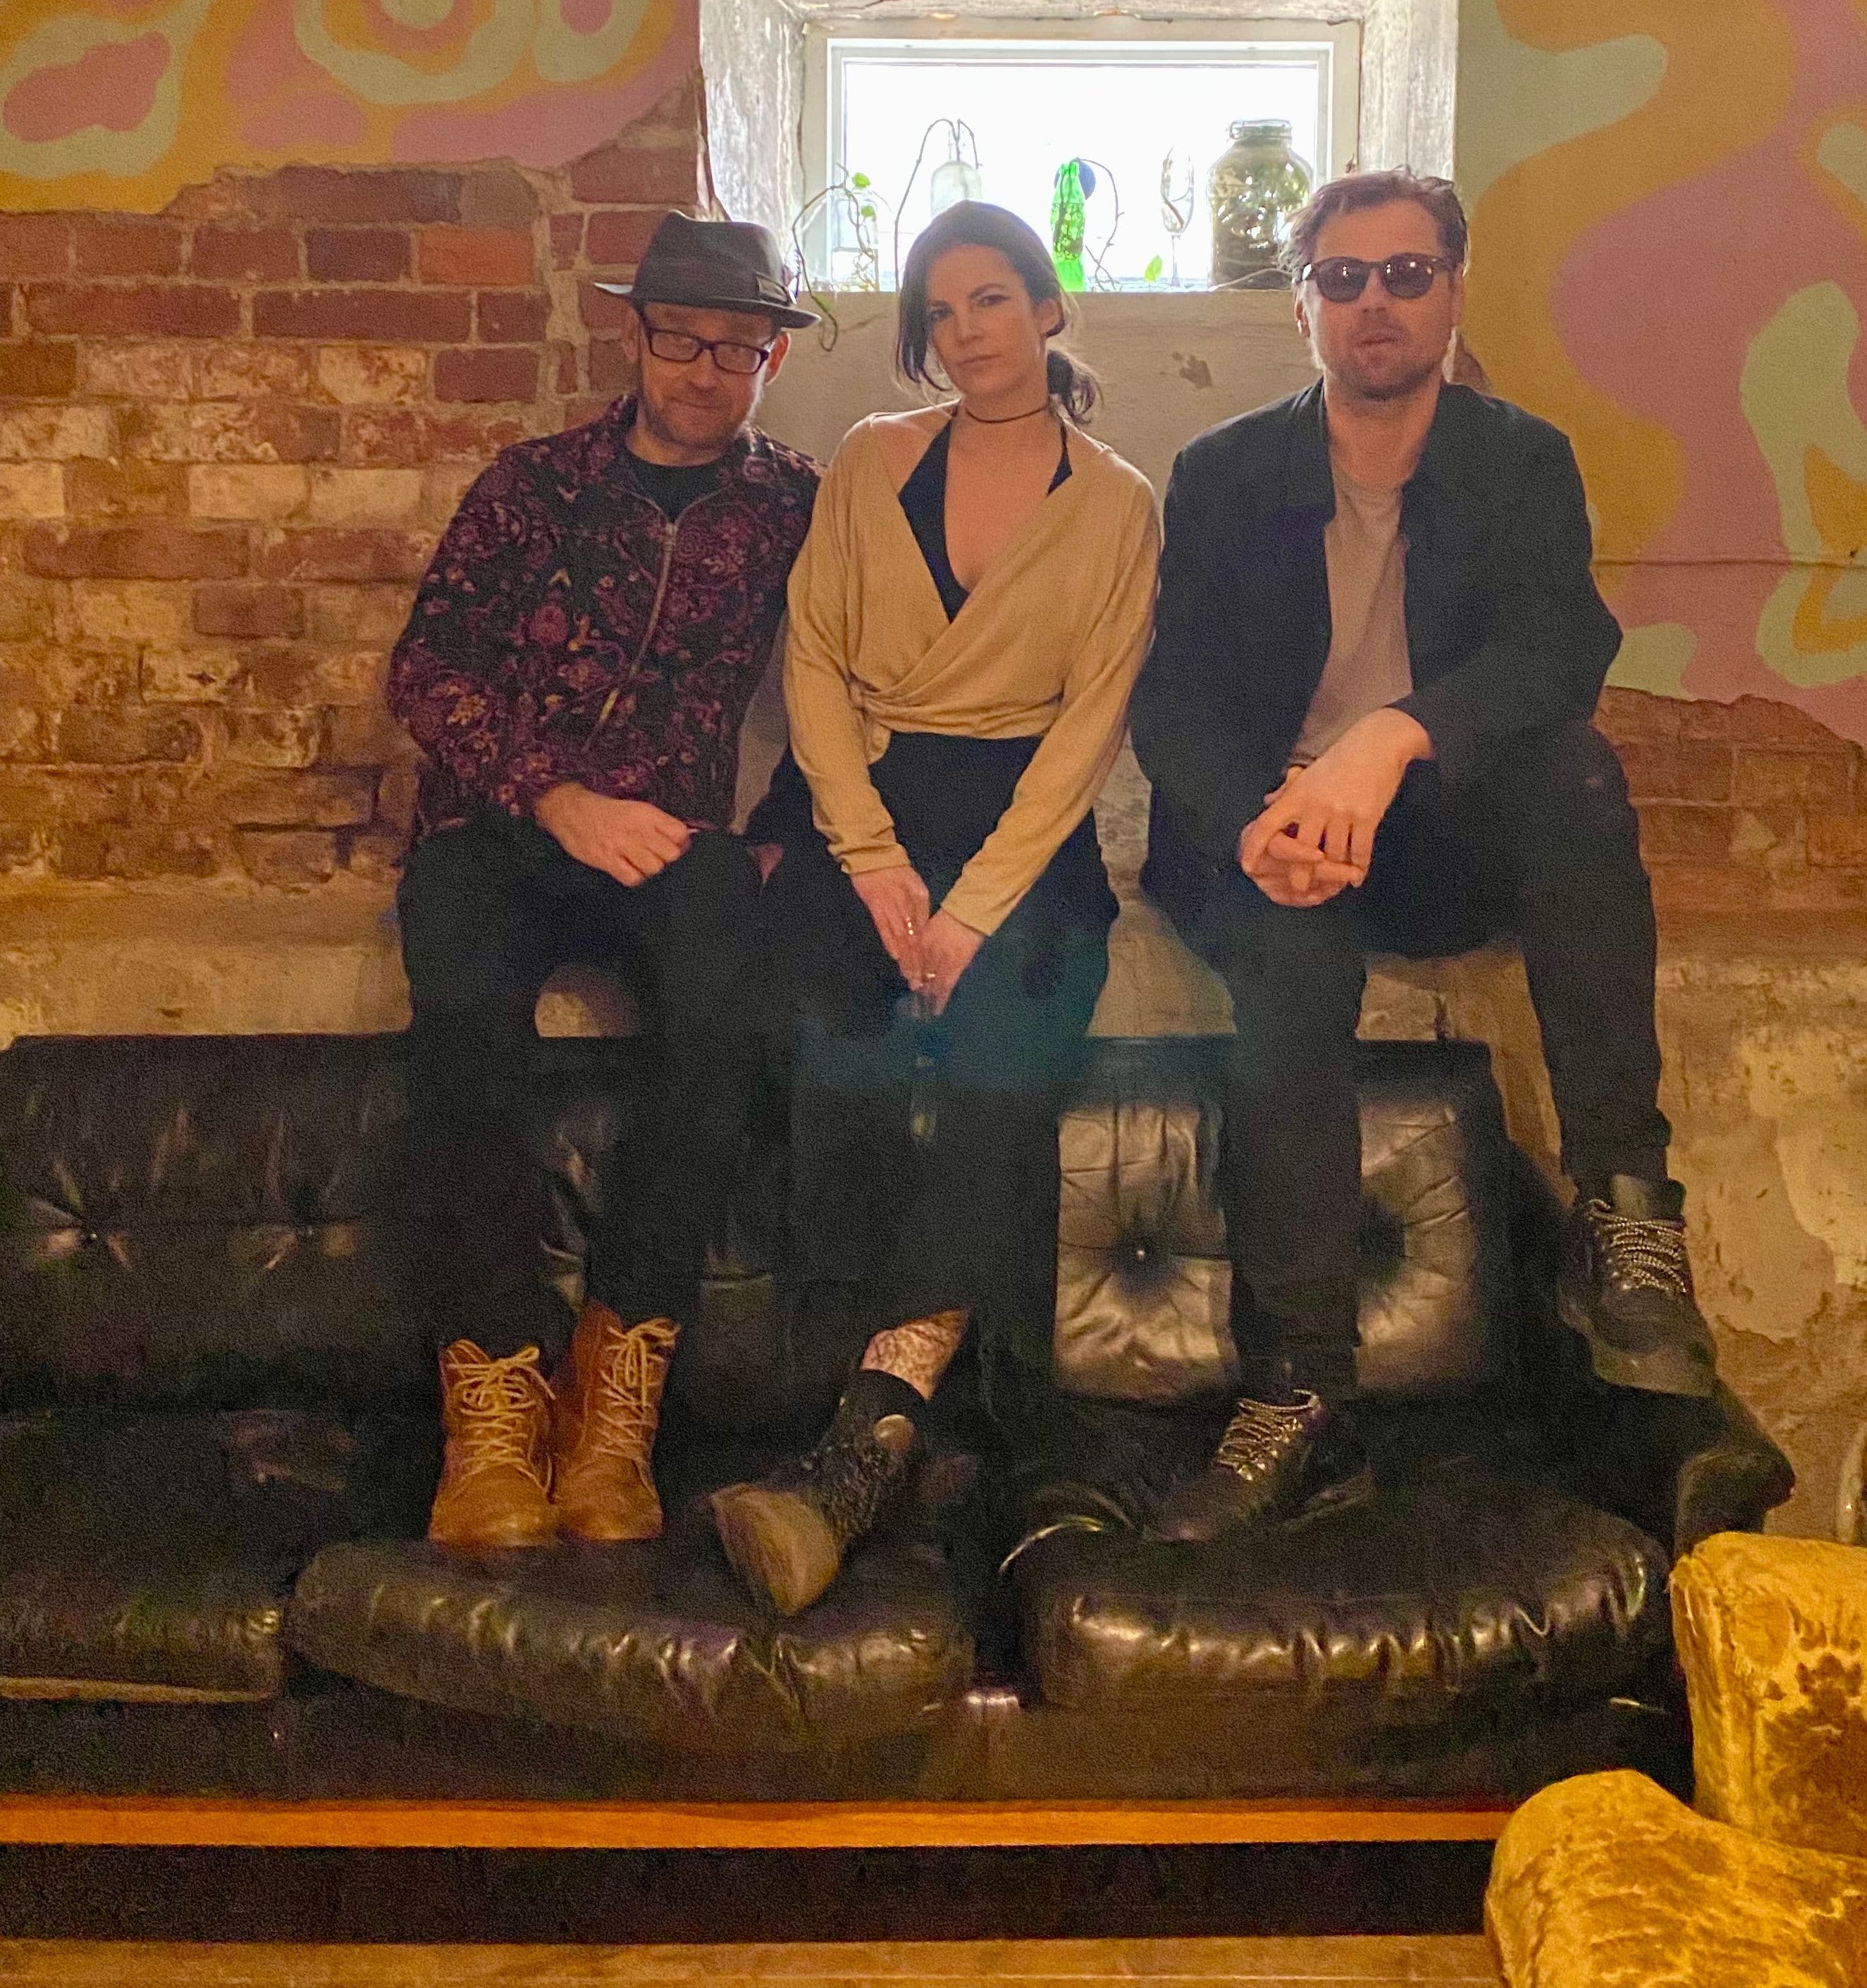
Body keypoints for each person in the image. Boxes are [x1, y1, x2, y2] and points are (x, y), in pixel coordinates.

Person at [1130, 168, 1715, 1543]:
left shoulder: (1519, 461)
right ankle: (1300, 1394)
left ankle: (1627, 1216)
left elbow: (1561, 651)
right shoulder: (1225, 472)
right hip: (1267, 830)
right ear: (1304, 308)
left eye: (1407, 274)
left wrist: (1392, 737)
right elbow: (1175, 698)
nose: (1376, 302)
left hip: (1431, 823)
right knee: (1288, 956)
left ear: (1454, 292)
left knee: (1577, 774)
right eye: (1343, 278)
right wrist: (1258, 823)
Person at [707, 203, 1160, 1617]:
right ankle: (906, 1427)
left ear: (1049, 308)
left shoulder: (1120, 505)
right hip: (863, 807)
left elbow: (1088, 730)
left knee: (1000, 1075)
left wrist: (967, 916)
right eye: (941, 311)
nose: (967, 332)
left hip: (1025, 833)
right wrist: (870, 860)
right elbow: (815, 661)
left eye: (992, 299)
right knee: (820, 1046)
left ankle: (864, 1446)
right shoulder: (871, 459)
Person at [387, 214, 821, 1551]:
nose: (707, 371)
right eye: (683, 341)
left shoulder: (798, 503)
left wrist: (783, 828)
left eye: (739, 350)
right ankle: (494, 1403)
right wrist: (555, 796)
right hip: (498, 827)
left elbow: (856, 676)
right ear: (633, 337)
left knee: (726, 1015)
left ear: (771, 361)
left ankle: (619, 1400)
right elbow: (426, 670)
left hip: (668, 840)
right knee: (466, 1028)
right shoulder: (532, 486)